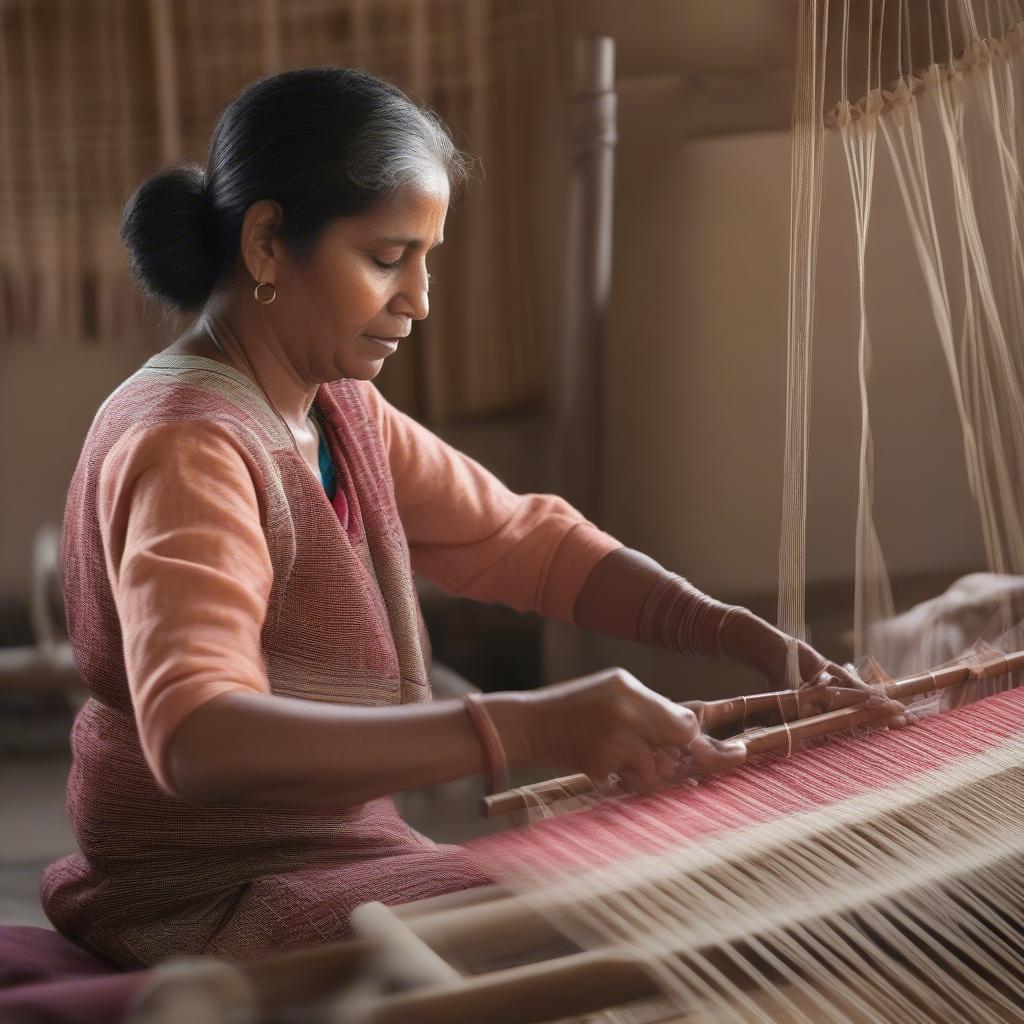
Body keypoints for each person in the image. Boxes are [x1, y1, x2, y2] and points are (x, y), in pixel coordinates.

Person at [41, 67, 893, 968]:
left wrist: (744, 636)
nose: (419, 300)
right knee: (644, 923)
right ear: (265, 244)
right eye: (385, 257)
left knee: (683, 890)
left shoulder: (330, 405)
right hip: (206, 894)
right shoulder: (192, 449)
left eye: (427, 260)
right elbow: (200, 737)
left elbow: (522, 542)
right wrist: (528, 725)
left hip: (331, 859)